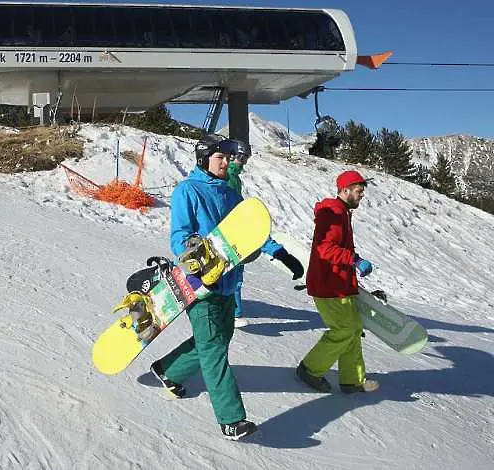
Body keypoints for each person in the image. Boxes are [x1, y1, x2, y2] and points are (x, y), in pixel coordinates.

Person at [148, 134, 285, 441]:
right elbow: (179, 236)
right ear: (204, 159)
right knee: (214, 350)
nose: (227, 162)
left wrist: (276, 250)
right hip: (201, 285)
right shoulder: (189, 190)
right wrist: (192, 252)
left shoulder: (230, 193)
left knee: (220, 338)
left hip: (229, 281)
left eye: (228, 158)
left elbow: (249, 231)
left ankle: (169, 370)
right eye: (220, 157)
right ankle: (231, 419)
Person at [296, 170, 379, 394]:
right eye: (359, 191)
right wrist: (353, 259)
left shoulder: (342, 212)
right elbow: (326, 249)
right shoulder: (333, 212)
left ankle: (351, 380)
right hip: (327, 284)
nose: (362, 195)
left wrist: (353, 260)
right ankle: (310, 369)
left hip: (339, 283)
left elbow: (340, 247)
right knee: (345, 328)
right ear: (345, 190)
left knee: (353, 329)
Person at [223, 139, 304, 327]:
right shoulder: (226, 179)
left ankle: (233, 312)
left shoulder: (234, 179)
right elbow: (242, 220)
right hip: (226, 236)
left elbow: (245, 220)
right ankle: (231, 313)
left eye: (246, 159)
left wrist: (280, 253)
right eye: (240, 157)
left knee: (235, 276)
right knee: (230, 275)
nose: (242, 162)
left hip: (234, 235)